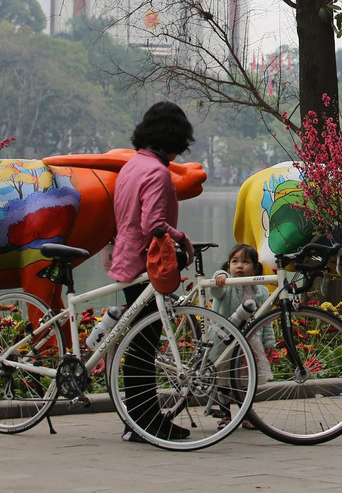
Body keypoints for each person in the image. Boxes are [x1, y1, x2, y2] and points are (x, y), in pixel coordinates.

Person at [107, 101, 196, 443]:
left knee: (139, 342)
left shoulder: (133, 165)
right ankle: (144, 421)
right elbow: (153, 224)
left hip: (126, 257)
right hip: (147, 262)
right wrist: (183, 240)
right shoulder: (157, 172)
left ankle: (140, 420)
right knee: (145, 344)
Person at [211, 243, 274, 391]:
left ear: (255, 267)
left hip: (251, 341)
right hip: (226, 340)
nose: (239, 266)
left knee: (246, 381)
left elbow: (265, 320)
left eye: (245, 262)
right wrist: (220, 276)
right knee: (224, 378)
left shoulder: (261, 291)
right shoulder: (226, 285)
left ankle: (245, 410)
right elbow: (215, 292)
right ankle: (224, 411)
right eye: (235, 261)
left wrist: (269, 342)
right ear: (229, 265)